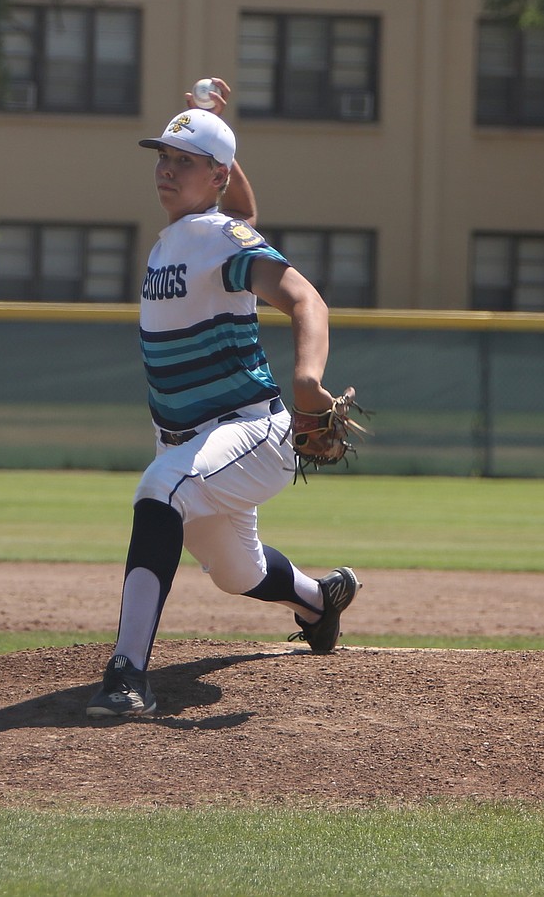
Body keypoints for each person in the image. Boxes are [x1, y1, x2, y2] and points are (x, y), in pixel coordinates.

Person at [85, 80, 360, 718]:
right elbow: (239, 208)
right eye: (162, 156)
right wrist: (205, 125)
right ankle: (320, 601)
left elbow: (305, 298)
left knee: (160, 493)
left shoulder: (220, 238)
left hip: (250, 432)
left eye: (182, 160)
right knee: (237, 573)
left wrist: (308, 379)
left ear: (215, 175)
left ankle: (127, 673)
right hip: (191, 442)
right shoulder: (187, 234)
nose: (164, 168)